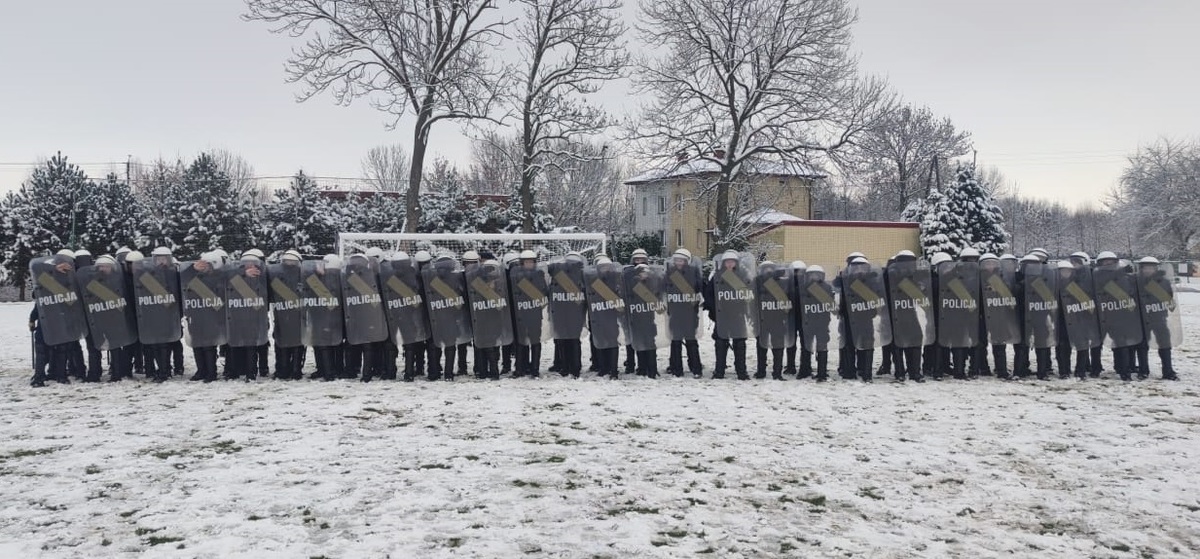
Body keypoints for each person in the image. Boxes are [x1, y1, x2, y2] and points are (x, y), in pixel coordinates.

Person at [703, 250, 753, 380]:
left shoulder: (742, 276)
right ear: (723, 263)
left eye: (732, 262)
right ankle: (719, 371)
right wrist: (715, 311)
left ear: (736, 263)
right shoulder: (717, 276)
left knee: (740, 344)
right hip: (722, 316)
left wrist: (745, 310)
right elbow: (709, 295)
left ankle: (741, 371)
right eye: (727, 262)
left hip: (738, 316)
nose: (729, 264)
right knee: (720, 344)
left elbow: (749, 295)